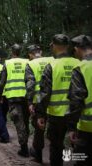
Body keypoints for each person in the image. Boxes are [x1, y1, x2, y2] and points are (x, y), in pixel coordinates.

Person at [36, 34, 80, 166]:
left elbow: (44, 93)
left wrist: (40, 114)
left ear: (54, 46)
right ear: (67, 46)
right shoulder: (80, 64)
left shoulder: (51, 66)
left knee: (56, 146)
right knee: (79, 146)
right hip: (78, 114)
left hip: (57, 115)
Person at [0, 44, 30, 157]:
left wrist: (0, 95)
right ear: (20, 51)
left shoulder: (7, 63)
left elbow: (1, 82)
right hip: (26, 97)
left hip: (13, 97)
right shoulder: (27, 61)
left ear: (12, 51)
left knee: (18, 121)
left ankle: (24, 148)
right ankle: (26, 144)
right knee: (26, 121)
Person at [24, 44, 54, 163]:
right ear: (40, 52)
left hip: (38, 101)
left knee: (39, 128)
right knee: (55, 130)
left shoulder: (31, 64)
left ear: (30, 54)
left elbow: (30, 85)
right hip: (56, 101)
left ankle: (38, 156)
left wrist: (30, 101)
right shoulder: (52, 60)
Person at [66, 35, 92, 166]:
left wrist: (71, 127)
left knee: (81, 160)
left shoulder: (81, 68)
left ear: (77, 49)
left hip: (87, 128)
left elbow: (76, 100)